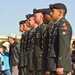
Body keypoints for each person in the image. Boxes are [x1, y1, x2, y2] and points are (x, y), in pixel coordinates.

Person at [46, 3, 72, 75]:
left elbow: (63, 46)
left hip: (59, 65)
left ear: (60, 13)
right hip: (54, 64)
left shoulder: (63, 25)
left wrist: (60, 65)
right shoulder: (56, 25)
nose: (51, 13)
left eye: (53, 11)